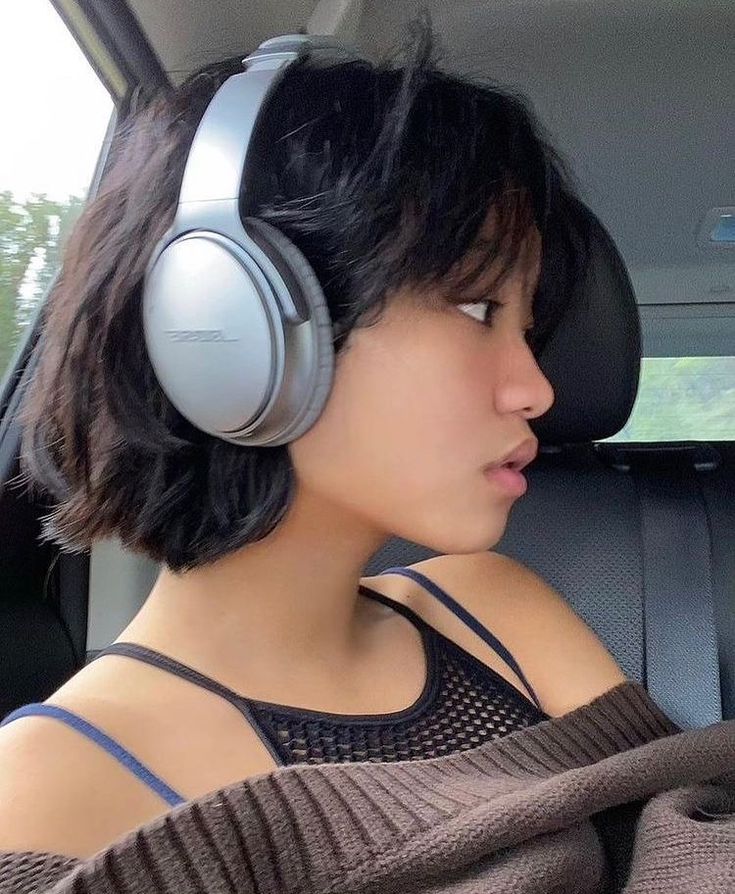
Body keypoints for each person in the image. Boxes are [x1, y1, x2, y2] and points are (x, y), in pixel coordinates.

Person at [0, 20, 626, 863]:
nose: (536, 390)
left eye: (529, 325)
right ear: (225, 323)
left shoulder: (495, 613)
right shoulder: (46, 788)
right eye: (477, 307)